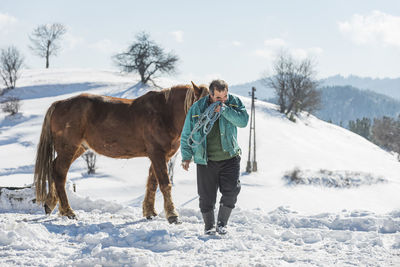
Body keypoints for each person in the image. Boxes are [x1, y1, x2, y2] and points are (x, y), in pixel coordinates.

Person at [180, 79, 249, 235]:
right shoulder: (197, 108)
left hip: (229, 156)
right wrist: (186, 156)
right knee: (206, 197)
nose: (223, 100)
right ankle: (209, 226)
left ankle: (222, 223)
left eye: (225, 96)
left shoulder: (233, 102)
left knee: (231, 191)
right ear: (210, 94)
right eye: (218, 98)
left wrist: (225, 110)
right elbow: (186, 133)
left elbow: (243, 121)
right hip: (205, 160)